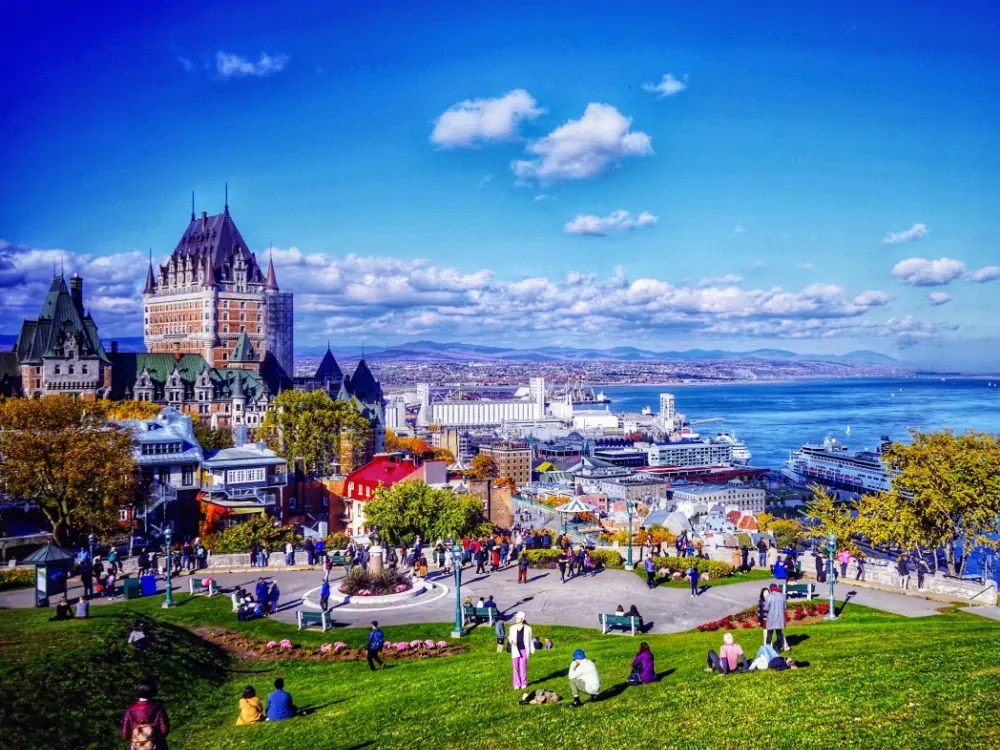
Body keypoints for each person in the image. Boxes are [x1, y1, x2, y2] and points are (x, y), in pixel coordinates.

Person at [122, 680, 169, 750]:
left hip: (136, 746)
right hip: (156, 745)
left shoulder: (130, 709)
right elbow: (164, 729)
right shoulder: (158, 707)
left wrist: (136, 738)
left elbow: (125, 731)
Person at [508, 612, 535, 689]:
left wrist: (531, 649)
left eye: (518, 618)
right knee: (515, 667)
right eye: (516, 618)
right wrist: (512, 642)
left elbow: (530, 640)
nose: (516, 619)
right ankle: (516, 684)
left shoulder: (528, 628)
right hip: (515, 649)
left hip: (524, 650)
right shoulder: (512, 628)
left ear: (522, 619)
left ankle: (523, 683)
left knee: (523, 667)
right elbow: (510, 638)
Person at [764, 584, 788, 651]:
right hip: (780, 618)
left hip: (771, 618)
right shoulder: (783, 596)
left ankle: (768, 649)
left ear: (770, 589)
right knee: (779, 633)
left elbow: (766, 608)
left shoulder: (769, 596)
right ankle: (779, 647)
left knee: (769, 634)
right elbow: (785, 607)